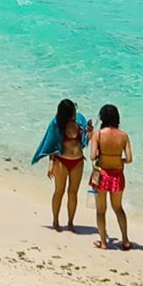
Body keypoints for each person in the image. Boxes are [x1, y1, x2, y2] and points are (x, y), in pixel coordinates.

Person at [88, 103, 133, 251]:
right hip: (117, 175)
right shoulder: (123, 135)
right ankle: (125, 240)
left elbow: (92, 156)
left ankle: (103, 242)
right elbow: (129, 159)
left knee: (101, 210)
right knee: (118, 208)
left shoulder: (98, 134)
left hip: (101, 175)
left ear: (102, 118)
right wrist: (118, 160)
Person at [39, 98, 86, 232]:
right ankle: (55, 220)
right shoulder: (56, 125)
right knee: (59, 191)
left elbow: (85, 140)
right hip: (61, 161)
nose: (76, 111)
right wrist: (51, 164)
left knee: (73, 192)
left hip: (78, 161)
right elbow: (51, 145)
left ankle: (70, 222)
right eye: (74, 109)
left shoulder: (79, 122)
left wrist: (89, 132)